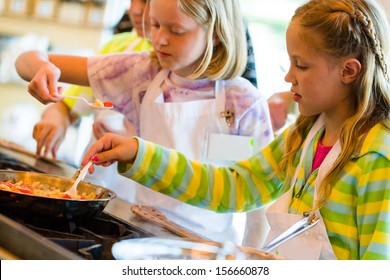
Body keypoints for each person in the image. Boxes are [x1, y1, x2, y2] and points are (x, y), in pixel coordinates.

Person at [77, 0, 389, 260]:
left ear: (349, 71)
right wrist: (139, 153)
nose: (288, 78)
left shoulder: (377, 158)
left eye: (302, 66)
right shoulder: (303, 137)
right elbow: (234, 186)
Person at [15, 0, 274, 244]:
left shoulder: (244, 103)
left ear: (215, 32)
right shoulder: (141, 73)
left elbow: (258, 204)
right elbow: (25, 61)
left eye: (176, 30)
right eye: (155, 25)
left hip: (206, 246)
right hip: (138, 231)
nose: (159, 39)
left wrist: (250, 256)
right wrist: (44, 69)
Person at [31, 0, 153, 202]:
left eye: (146, 2)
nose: (135, 10)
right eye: (132, 0)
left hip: (143, 204)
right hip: (93, 189)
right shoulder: (118, 47)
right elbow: (67, 106)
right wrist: (56, 120)